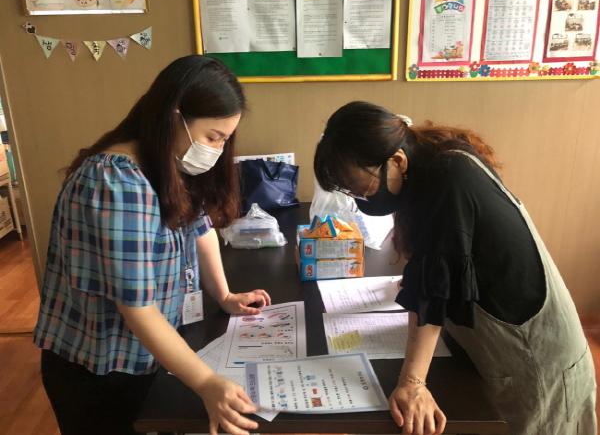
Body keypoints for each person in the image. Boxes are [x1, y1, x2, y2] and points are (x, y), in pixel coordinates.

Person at [313, 101, 597, 435]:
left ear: (397, 161)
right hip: (496, 346)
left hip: (538, 359)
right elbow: (439, 256)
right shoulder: (427, 167)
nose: (362, 199)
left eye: (364, 188)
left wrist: (413, 384)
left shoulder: (449, 177)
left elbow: (436, 287)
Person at [34, 55, 272, 435]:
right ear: (174, 117)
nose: (216, 149)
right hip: (101, 372)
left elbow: (201, 230)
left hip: (144, 357)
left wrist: (225, 296)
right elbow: (138, 309)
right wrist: (206, 382)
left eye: (224, 140)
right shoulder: (117, 182)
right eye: (213, 137)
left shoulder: (168, 163)